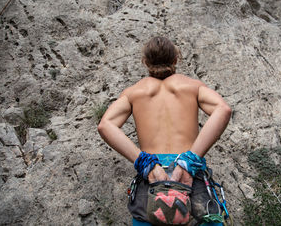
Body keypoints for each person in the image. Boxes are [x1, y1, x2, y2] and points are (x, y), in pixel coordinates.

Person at [97, 36, 232, 226]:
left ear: (145, 62)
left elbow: (105, 125)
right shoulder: (193, 87)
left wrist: (146, 163)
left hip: (153, 180)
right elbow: (223, 109)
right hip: (190, 178)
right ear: (176, 59)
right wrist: (190, 160)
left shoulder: (133, 93)